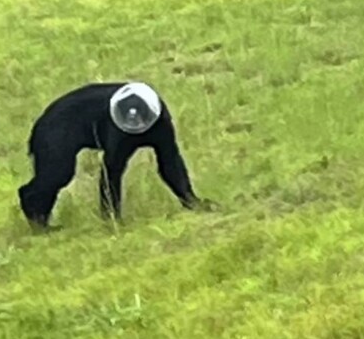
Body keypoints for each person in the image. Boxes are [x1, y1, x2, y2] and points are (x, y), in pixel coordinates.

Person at [18, 81, 216, 231]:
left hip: (86, 118)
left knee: (169, 156)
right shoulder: (119, 124)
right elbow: (111, 171)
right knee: (58, 175)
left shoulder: (160, 120)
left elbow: (170, 161)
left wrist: (189, 200)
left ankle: (190, 201)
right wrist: (112, 218)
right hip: (61, 124)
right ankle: (37, 215)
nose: (136, 128)